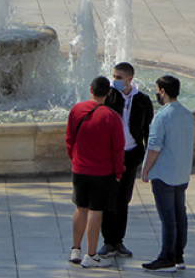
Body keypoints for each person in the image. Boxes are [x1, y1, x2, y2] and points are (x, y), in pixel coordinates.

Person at [66, 76, 125, 268]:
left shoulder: (76, 110)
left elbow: (69, 139)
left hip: (79, 169)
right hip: (102, 172)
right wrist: (119, 172)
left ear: (90, 89)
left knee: (80, 208)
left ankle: (75, 249)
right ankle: (91, 255)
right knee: (95, 212)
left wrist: (74, 159)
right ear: (108, 93)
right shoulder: (112, 117)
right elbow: (118, 149)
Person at [139, 75, 195, 273]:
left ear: (162, 91)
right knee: (180, 214)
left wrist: (145, 170)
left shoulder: (162, 117)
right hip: (181, 173)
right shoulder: (187, 114)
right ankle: (178, 254)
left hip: (164, 174)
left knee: (168, 217)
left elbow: (154, 147)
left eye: (157, 90)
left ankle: (166, 257)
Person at [98, 63, 153, 260]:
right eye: (114, 76)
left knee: (123, 200)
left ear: (130, 79)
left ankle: (118, 241)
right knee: (108, 199)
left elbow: (148, 129)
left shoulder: (142, 100)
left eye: (119, 77)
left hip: (130, 155)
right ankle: (107, 241)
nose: (115, 80)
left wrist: (145, 155)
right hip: (110, 155)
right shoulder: (109, 96)